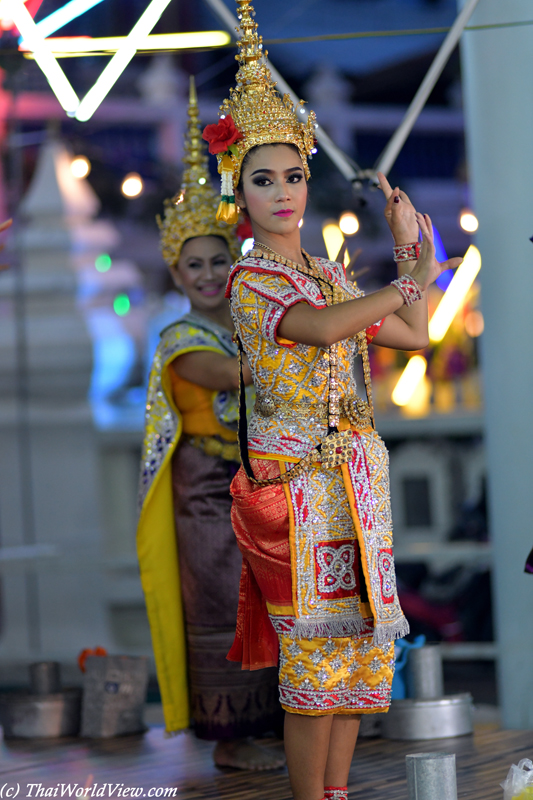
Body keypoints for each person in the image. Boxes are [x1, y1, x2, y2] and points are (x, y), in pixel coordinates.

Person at [201, 4, 463, 799]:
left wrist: (411, 244)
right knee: (311, 655)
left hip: (352, 479)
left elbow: (412, 333)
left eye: (292, 176)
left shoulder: (327, 270)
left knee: (357, 655)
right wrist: (398, 281)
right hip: (298, 487)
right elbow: (317, 331)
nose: (281, 193)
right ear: (236, 191)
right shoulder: (255, 280)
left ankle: (336, 794)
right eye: (262, 179)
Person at [137, 77, 284, 770]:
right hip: (205, 492)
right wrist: (303, 331)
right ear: (175, 273)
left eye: (217, 260)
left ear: (235, 263)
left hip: (257, 478)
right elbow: (229, 378)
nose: (206, 273)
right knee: (227, 606)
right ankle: (232, 740)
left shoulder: (248, 322)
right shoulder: (179, 341)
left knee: (276, 594)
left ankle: (286, 720)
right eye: (192, 264)